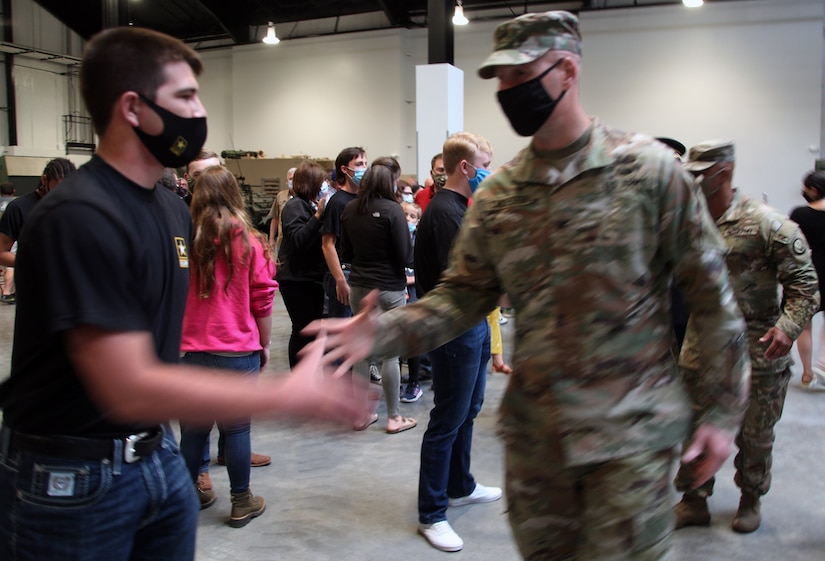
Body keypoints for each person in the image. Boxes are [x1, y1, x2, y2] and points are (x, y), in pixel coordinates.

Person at [306, 11, 749, 560]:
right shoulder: (502, 196)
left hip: (630, 443)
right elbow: (460, 298)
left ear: (566, 70)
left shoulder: (649, 172)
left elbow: (713, 298)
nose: (507, 91)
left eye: (521, 75)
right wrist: (383, 332)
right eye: (500, 80)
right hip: (539, 446)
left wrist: (723, 412)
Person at [0, 26, 362, 561]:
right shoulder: (79, 216)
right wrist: (284, 396)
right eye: (186, 97)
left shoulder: (172, 209)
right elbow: (127, 385)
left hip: (154, 454)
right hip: (72, 475)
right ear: (132, 107)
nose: (199, 113)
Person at [674, 140, 819, 534]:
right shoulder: (687, 221)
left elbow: (806, 286)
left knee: (756, 431)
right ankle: (693, 499)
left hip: (759, 348)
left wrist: (788, 328)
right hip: (700, 347)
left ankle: (750, 499)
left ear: (723, 173)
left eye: (698, 174)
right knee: (693, 426)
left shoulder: (768, 224)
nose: (691, 181)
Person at [179, 165, 277, 527]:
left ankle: (186, 494)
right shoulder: (249, 242)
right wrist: (264, 344)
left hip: (191, 350)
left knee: (193, 429)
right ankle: (241, 501)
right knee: (236, 430)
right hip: (237, 349)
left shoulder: (185, 241)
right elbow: (263, 300)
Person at [341, 156, 416, 434]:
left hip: (359, 286)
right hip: (389, 288)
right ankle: (394, 417)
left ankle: (360, 415)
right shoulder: (393, 211)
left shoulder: (349, 209)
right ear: (388, 183)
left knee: (361, 354)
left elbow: (346, 252)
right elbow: (404, 253)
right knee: (390, 355)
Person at [0, 158, 76, 305]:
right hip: (35, 293)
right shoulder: (19, 208)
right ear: (44, 180)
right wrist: (34, 262)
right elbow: (1, 253)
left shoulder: (72, 206)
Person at [277, 161, 329, 367]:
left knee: (311, 329)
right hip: (296, 280)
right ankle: (299, 375)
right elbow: (298, 239)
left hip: (309, 277)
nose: (324, 186)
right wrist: (317, 217)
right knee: (302, 329)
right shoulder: (294, 206)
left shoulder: (307, 204)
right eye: (321, 181)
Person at [321, 147, 367, 319]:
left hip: (360, 273)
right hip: (343, 273)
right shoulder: (338, 202)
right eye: (359, 164)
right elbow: (328, 244)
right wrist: (340, 280)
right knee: (340, 326)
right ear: (344, 169)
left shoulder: (363, 199)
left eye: (365, 164)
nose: (364, 168)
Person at [790, 167, 825, 389]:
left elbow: (793, 245)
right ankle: (823, 364)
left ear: (812, 189)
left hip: (808, 274)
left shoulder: (800, 214)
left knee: (805, 326)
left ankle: (806, 372)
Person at [268, 166, 296, 251]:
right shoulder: (281, 196)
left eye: (295, 178)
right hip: (281, 241)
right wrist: (271, 238)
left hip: (297, 241)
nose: (292, 181)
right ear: (286, 181)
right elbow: (275, 218)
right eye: (290, 179)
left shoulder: (305, 195)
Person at [0, 182, 16, 302]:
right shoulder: (15, 204)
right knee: (11, 265)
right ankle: (7, 291)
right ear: (13, 191)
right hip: (9, 235)